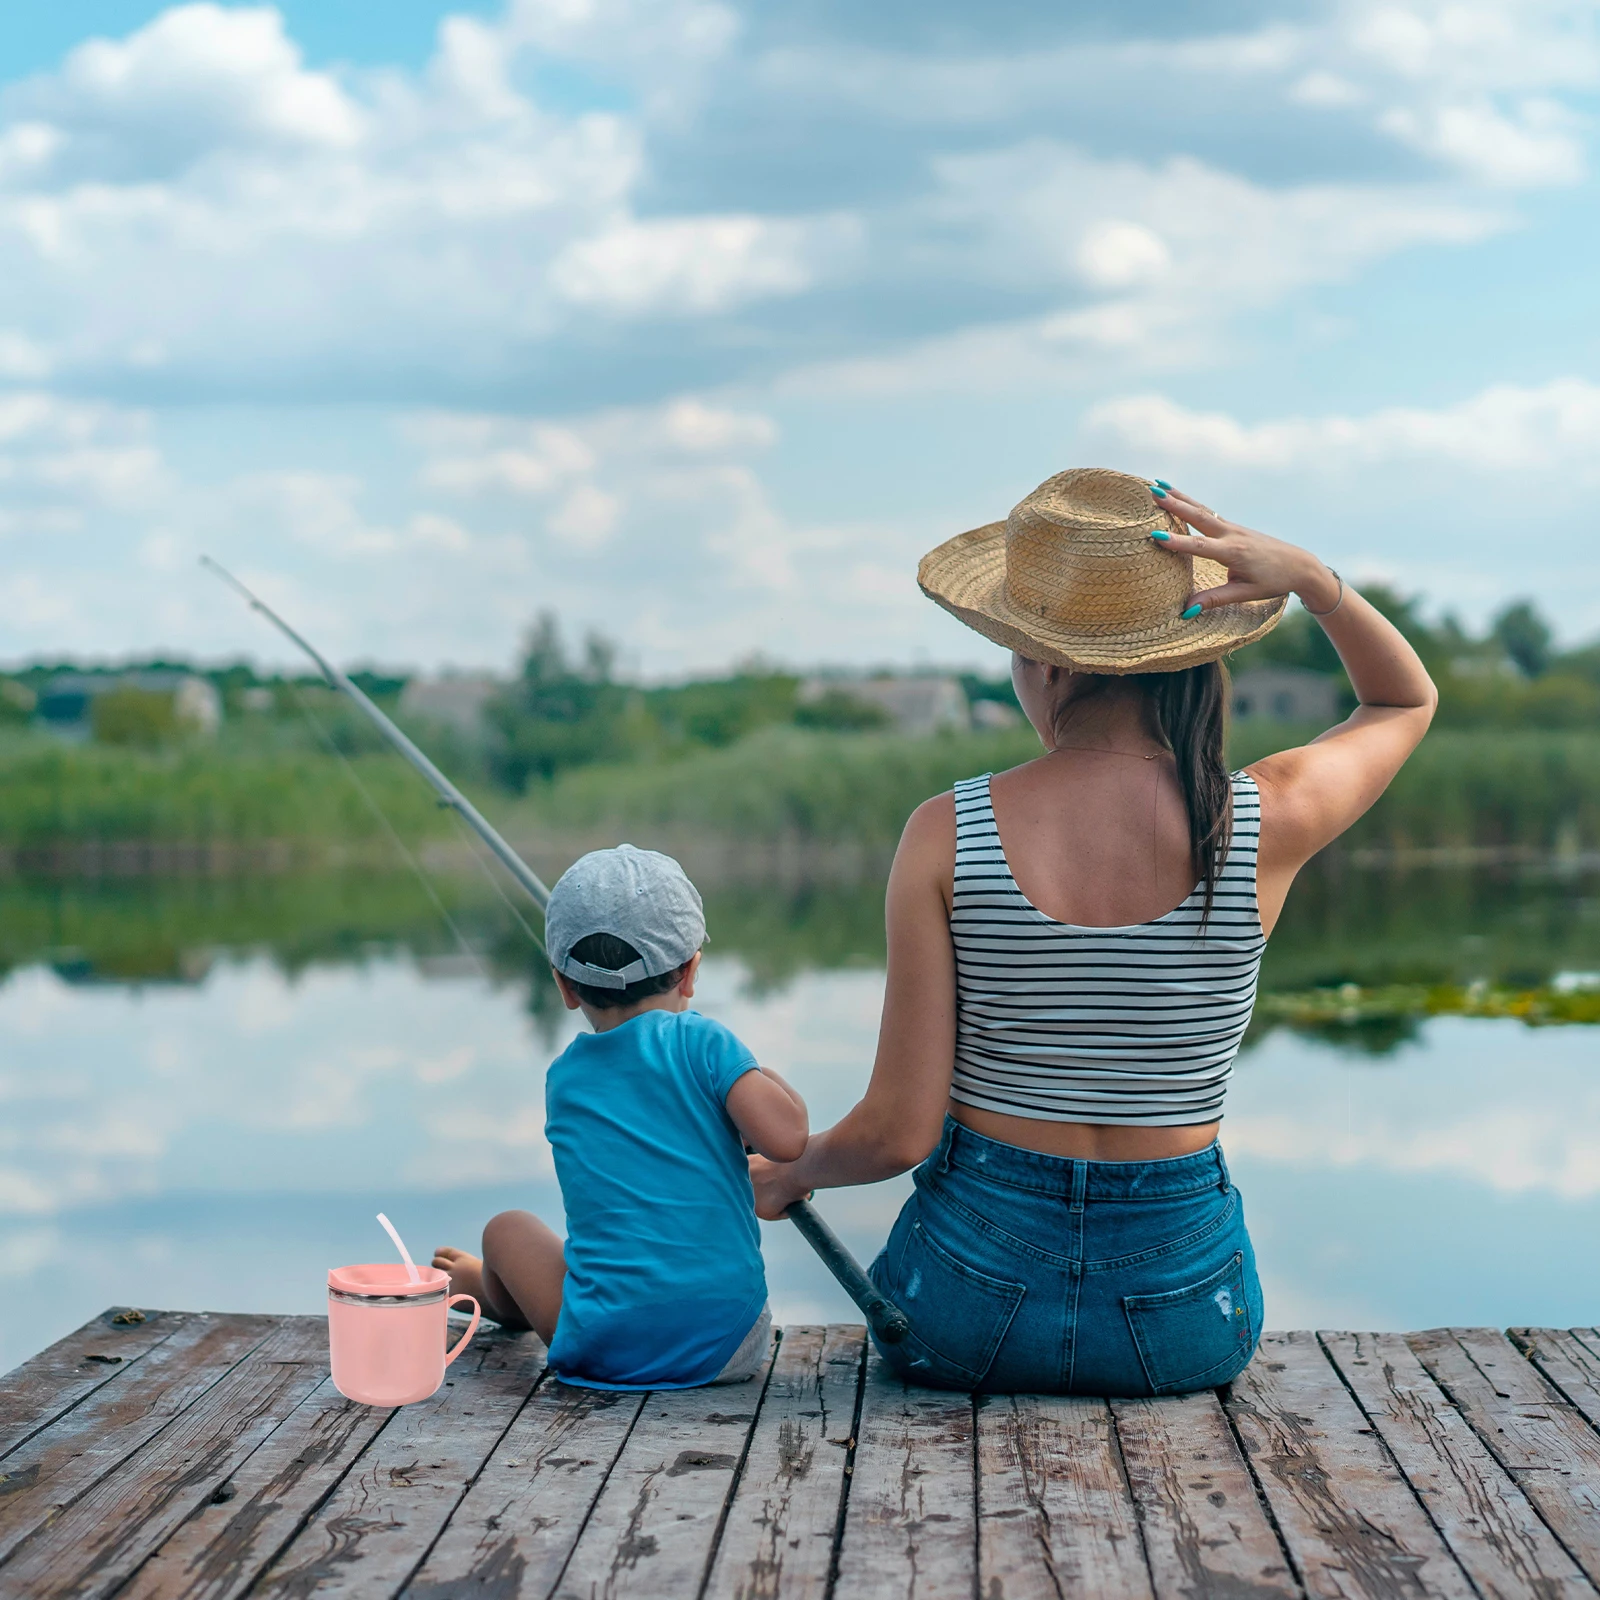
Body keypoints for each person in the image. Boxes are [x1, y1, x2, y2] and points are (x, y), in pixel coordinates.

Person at [751, 467, 1437, 1395]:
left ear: (1048, 663)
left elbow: (897, 1133)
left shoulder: (948, 831)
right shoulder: (1264, 818)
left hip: (961, 1312)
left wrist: (794, 1172)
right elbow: (1402, 701)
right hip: (1188, 1319)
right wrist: (1316, 581)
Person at [435, 843, 808, 1389]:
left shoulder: (564, 1079)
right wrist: (753, 1071)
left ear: (564, 986)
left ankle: (496, 1299)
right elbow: (789, 1138)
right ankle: (501, 1298)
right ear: (689, 973)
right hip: (729, 1346)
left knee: (506, 1229)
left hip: (602, 1348)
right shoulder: (706, 1044)